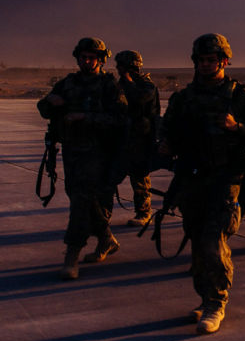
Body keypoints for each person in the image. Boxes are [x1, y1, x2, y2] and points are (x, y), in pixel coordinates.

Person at [161, 33, 245, 334]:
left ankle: (216, 302)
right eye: (202, 60)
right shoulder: (183, 99)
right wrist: (164, 147)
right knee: (197, 241)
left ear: (224, 61)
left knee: (213, 240)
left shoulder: (240, 97)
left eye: (212, 60)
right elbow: (166, 131)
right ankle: (205, 296)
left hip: (226, 179)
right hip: (193, 178)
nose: (207, 65)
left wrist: (238, 127)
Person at [37, 37, 128, 280]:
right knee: (79, 196)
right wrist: (50, 102)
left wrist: (84, 117)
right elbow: (44, 108)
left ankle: (72, 255)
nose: (87, 62)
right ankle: (107, 239)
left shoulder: (109, 86)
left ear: (101, 60)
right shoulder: (68, 83)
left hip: (98, 152)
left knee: (81, 200)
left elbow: (120, 119)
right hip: (72, 151)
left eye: (92, 58)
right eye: (83, 57)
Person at [114, 50, 160, 228]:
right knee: (110, 177)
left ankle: (143, 212)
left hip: (141, 139)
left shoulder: (146, 85)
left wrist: (127, 80)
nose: (118, 70)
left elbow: (138, 100)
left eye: (121, 66)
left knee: (139, 178)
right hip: (123, 138)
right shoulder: (123, 84)